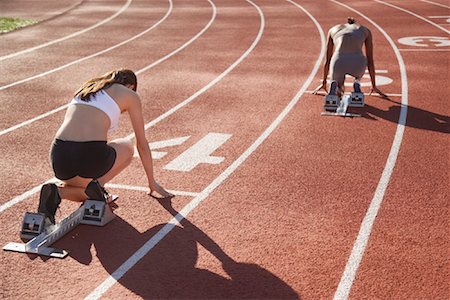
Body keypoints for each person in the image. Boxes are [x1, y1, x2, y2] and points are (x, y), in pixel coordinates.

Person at [38, 68, 173, 224]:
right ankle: (78, 191)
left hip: (59, 157)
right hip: (89, 156)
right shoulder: (130, 95)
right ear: (130, 85)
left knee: (78, 178)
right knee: (128, 146)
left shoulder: (87, 88)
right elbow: (141, 144)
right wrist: (152, 182)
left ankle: (60, 191)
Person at [313, 17, 386, 98]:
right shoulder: (365, 30)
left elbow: (327, 59)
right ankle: (357, 82)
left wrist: (324, 82)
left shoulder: (333, 29)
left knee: (336, 81)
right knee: (358, 73)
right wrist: (374, 85)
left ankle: (335, 85)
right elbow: (370, 60)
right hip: (358, 61)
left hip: (339, 60)